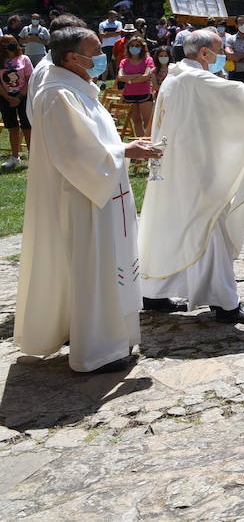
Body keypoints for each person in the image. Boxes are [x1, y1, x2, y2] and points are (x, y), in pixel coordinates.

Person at [15, 27, 162, 372]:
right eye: (95, 51)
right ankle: (97, 351)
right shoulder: (57, 94)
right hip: (84, 196)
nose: (103, 57)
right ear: (71, 57)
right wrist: (127, 149)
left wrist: (122, 150)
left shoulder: (76, 87)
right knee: (94, 267)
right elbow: (74, 152)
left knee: (106, 264)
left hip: (103, 190)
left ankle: (103, 336)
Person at [139, 29, 244, 324]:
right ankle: (225, 303)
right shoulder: (195, 78)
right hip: (195, 170)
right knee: (209, 228)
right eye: (219, 49)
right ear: (205, 53)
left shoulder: (175, 76)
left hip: (175, 167)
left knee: (170, 226)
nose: (223, 54)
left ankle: (153, 292)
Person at [2, 36, 35, 168]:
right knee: (12, 128)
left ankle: (34, 156)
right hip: (5, 97)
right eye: (3, 44)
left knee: (27, 127)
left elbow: (29, 79)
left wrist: (20, 96)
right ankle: (15, 157)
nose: (7, 46)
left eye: (10, 43)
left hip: (23, 96)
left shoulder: (24, 59)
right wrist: (9, 97)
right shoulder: (0, 60)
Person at [117, 34, 156, 138]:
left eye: (137, 45)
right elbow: (120, 76)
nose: (134, 47)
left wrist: (129, 79)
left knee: (147, 121)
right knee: (137, 122)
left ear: (142, 47)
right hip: (129, 94)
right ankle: (141, 143)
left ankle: (148, 142)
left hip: (145, 94)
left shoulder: (148, 60)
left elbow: (147, 76)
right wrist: (138, 76)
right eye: (132, 45)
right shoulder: (124, 61)